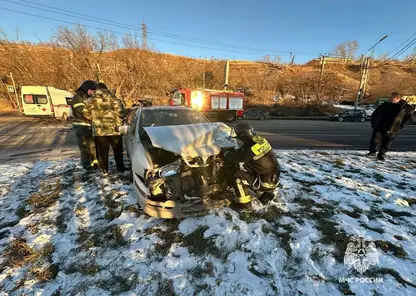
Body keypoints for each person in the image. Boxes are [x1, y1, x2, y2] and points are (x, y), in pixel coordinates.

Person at [223, 122, 280, 211]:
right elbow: (246, 150)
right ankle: (264, 194)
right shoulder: (259, 140)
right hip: (272, 178)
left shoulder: (250, 150)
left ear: (244, 137)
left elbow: (237, 157)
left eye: (239, 139)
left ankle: (245, 205)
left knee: (237, 176)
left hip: (266, 182)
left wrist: (225, 153)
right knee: (247, 166)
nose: (238, 141)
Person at [83, 82, 125, 176]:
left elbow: (86, 114)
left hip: (99, 131)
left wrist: (95, 119)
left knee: (102, 153)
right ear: (106, 89)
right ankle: (120, 168)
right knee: (118, 150)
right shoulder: (114, 99)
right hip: (115, 130)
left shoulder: (90, 101)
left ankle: (104, 170)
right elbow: (122, 113)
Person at [367, 92, 414, 160]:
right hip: (380, 125)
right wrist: (373, 123)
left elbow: (408, 118)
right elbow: (375, 114)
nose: (389, 98)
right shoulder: (384, 105)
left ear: (397, 98)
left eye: (391, 97)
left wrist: (401, 125)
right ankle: (372, 152)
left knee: (387, 141)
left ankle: (381, 154)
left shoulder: (405, 107)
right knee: (375, 140)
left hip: (393, 127)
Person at [71, 80, 99, 171]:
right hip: (80, 125)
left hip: (87, 125)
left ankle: (94, 163)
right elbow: (82, 111)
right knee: (85, 147)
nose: (92, 92)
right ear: (86, 88)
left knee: (91, 146)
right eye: (91, 90)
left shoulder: (87, 97)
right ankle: (87, 165)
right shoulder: (78, 97)